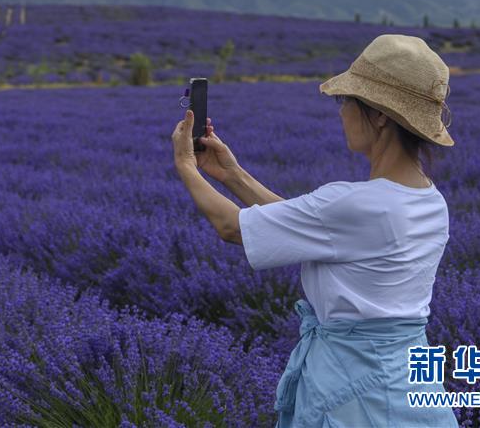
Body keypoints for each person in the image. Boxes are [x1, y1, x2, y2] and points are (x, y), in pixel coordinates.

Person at [171, 34, 459, 427]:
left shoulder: (355, 203)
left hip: (355, 394)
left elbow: (231, 227)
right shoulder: (430, 200)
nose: (341, 113)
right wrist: (232, 175)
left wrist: (186, 165)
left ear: (379, 115)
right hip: (408, 385)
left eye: (346, 101)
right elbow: (308, 226)